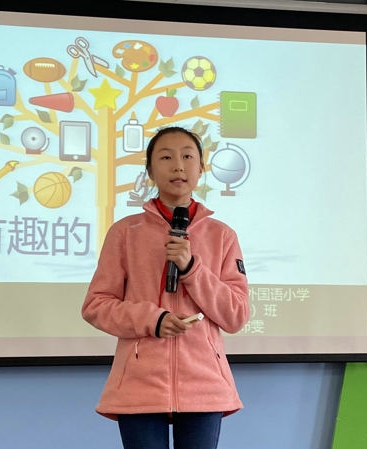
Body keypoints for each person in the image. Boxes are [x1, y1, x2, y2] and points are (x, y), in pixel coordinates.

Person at [81, 126, 249, 449]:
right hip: (139, 383)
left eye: (187, 156)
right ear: (149, 170)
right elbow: (96, 305)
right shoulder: (125, 232)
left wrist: (191, 268)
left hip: (203, 384)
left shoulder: (222, 236)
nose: (178, 166)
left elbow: (237, 314)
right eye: (166, 157)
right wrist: (153, 320)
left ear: (201, 168)